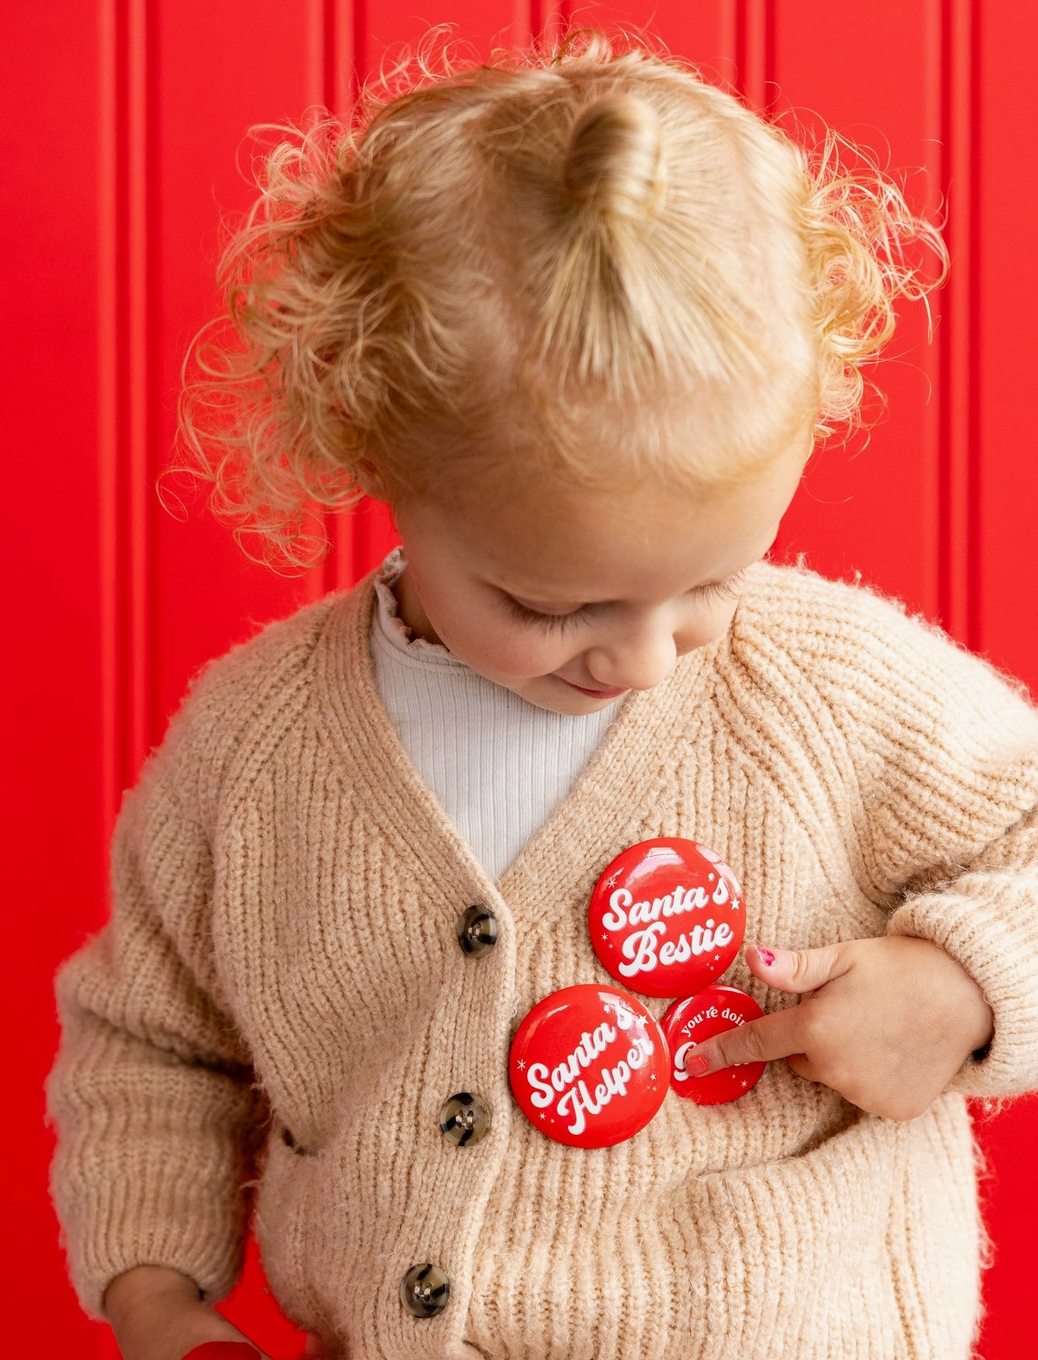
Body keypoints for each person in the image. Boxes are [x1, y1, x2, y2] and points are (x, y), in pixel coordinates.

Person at [48, 30, 1038, 1360]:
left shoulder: (829, 692)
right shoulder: (253, 748)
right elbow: (148, 1045)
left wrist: (964, 989)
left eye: (707, 583)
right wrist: (157, 1295)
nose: (637, 658)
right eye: (552, 605)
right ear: (371, 445)